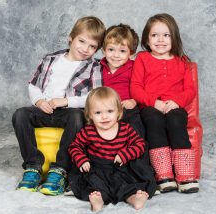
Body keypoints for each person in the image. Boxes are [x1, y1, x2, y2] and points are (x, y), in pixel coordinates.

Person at [12, 16, 106, 196]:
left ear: (97, 49)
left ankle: (60, 169)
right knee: (20, 114)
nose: (85, 49)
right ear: (71, 37)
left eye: (92, 46)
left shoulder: (93, 67)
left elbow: (95, 96)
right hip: (44, 109)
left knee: (77, 117)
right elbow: (33, 85)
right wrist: (39, 101)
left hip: (69, 112)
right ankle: (33, 166)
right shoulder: (50, 59)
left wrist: (66, 101)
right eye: (82, 41)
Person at [130, 13, 199, 193]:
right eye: (154, 35)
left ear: (173, 37)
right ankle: (164, 175)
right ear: (147, 38)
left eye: (166, 35)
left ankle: (185, 176)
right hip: (151, 107)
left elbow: (190, 90)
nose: (160, 40)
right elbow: (136, 88)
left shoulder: (182, 62)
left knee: (176, 120)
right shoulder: (142, 59)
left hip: (175, 107)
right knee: (154, 120)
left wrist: (176, 101)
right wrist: (154, 102)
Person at [68, 87, 156, 212]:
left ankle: (134, 199)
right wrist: (81, 159)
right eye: (98, 113)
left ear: (119, 112)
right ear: (90, 115)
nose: (104, 117)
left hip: (121, 169)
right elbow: (75, 146)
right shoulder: (88, 131)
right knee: (95, 187)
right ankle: (98, 200)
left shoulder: (125, 129)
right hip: (98, 169)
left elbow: (140, 144)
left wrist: (126, 154)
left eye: (110, 111)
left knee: (127, 187)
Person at [100, 23, 144, 138]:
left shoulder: (135, 67)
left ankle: (139, 152)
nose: (116, 55)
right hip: (104, 110)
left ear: (131, 53)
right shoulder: (98, 67)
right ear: (103, 50)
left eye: (122, 51)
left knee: (135, 127)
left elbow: (144, 87)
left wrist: (134, 101)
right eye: (111, 49)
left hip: (126, 107)